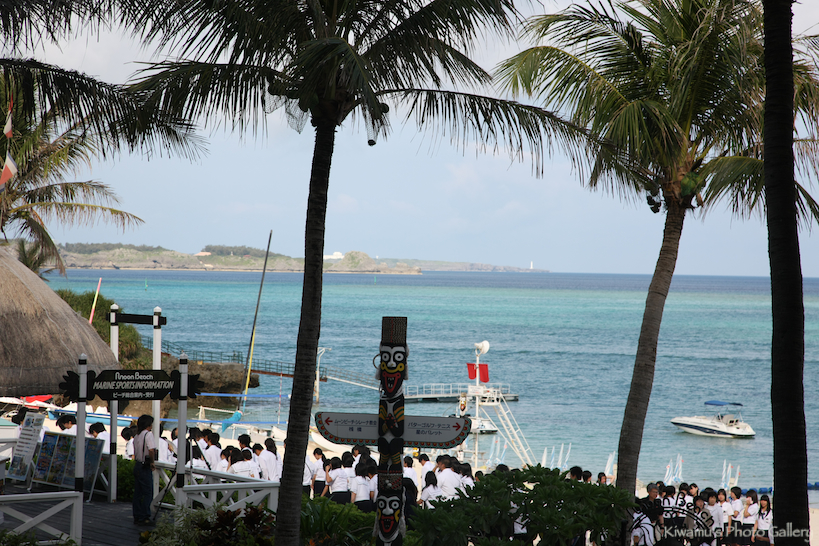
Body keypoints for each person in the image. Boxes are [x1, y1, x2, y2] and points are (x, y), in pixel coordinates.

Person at [132, 415, 156, 526]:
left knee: (138, 493)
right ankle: (145, 516)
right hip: (144, 466)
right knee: (147, 492)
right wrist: (152, 461)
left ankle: (137, 515)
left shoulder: (137, 436)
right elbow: (151, 449)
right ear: (148, 425)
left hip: (137, 465)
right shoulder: (148, 434)